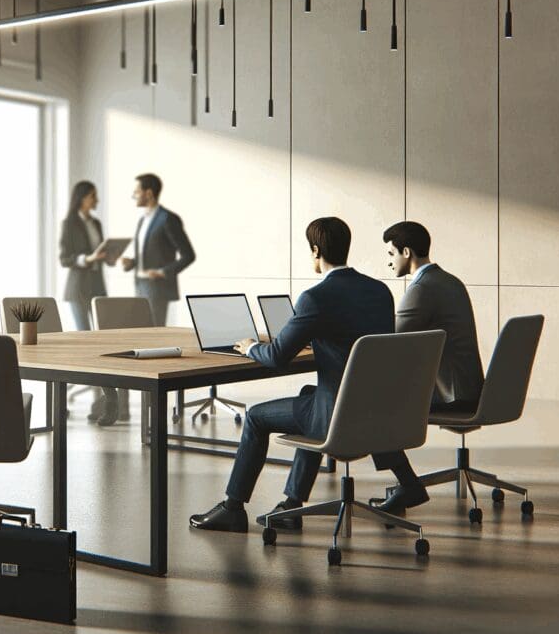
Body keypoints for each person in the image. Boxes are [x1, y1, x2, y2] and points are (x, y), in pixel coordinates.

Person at [189, 217, 393, 532]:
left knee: (256, 417)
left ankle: (232, 507)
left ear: (315, 251)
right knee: (307, 396)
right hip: (375, 413)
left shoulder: (316, 297)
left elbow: (276, 357)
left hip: (336, 417)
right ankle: (292, 504)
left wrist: (250, 347)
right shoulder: (380, 292)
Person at [369, 220, 486, 515]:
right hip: (471, 387)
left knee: (366, 404)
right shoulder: (449, 280)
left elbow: (388, 342)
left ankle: (408, 484)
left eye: (391, 253)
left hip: (452, 396)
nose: (389, 261)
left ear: (406, 252)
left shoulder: (422, 288)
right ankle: (406, 484)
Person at [58, 180, 121, 425]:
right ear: (82, 198)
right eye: (93, 196)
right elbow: (65, 259)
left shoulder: (96, 223)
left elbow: (102, 256)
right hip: (78, 288)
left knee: (102, 341)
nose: (96, 200)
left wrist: (112, 257)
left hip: (97, 287)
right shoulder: (69, 224)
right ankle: (104, 399)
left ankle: (105, 399)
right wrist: (89, 258)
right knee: (87, 342)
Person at [119, 173, 194, 327]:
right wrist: (132, 262)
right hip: (139, 284)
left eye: (137, 192)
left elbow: (188, 255)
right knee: (140, 332)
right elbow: (149, 253)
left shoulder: (168, 219)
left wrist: (162, 272)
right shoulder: (143, 220)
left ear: (149, 193)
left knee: (154, 333)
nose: (133, 196)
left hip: (157, 287)